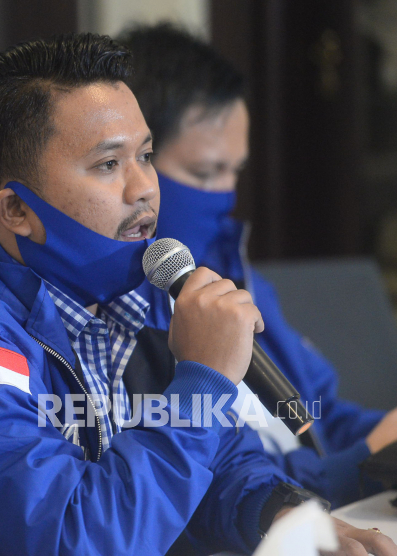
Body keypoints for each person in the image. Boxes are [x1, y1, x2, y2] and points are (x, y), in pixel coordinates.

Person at [0, 32, 397, 555]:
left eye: (145, 156)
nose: (143, 187)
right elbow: (71, 540)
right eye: (108, 165)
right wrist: (203, 382)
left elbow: (225, 465)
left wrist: (284, 521)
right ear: (16, 211)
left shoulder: (141, 289)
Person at [120, 22, 397, 509]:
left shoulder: (232, 264)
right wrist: (363, 460)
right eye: (206, 173)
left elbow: (315, 417)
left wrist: (384, 440)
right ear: (138, 163)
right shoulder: (123, 308)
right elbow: (216, 477)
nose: (226, 194)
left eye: (235, 171)